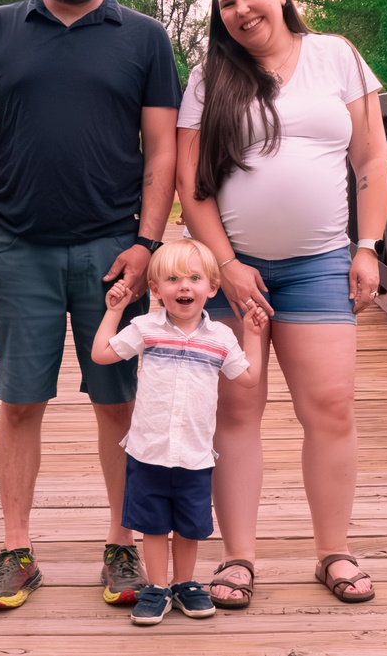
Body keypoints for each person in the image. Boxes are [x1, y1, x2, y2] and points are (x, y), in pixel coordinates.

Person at [0, 0, 183, 610]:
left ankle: (123, 546)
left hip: (114, 251)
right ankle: (17, 549)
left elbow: (164, 149)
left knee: (118, 402)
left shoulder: (144, 38)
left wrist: (146, 242)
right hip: (19, 246)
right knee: (19, 401)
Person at [174, 0, 387, 608]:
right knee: (236, 410)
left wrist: (367, 246)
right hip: (225, 273)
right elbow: (191, 185)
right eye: (226, 4)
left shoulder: (337, 57)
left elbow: (372, 158)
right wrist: (228, 265)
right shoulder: (208, 77)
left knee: (329, 407)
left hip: (319, 263)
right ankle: (237, 557)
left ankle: (333, 549)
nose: (240, 10)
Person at [90, 239, 267, 625]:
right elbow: (102, 353)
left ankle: (184, 584)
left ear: (212, 287)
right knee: (153, 525)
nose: (184, 286)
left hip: (195, 452)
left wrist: (252, 334)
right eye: (172, 279)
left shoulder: (220, 337)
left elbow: (249, 377)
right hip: (149, 449)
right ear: (156, 290)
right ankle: (156, 587)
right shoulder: (146, 328)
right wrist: (113, 311)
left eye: (194, 278)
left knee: (189, 526)